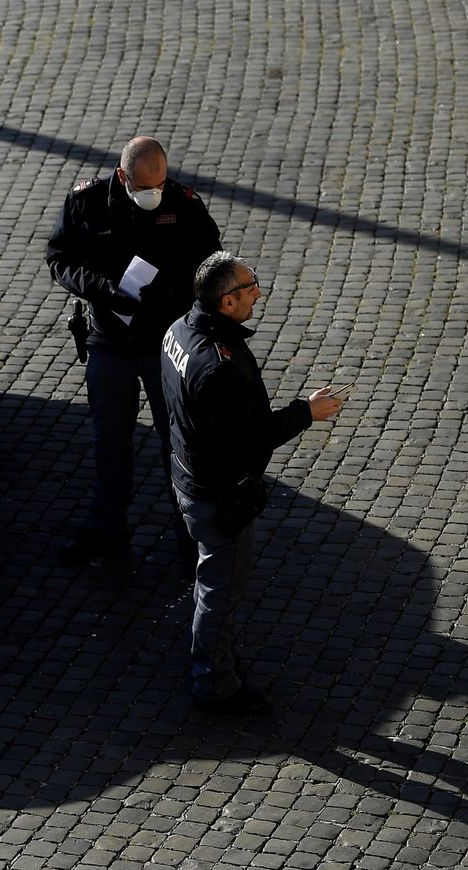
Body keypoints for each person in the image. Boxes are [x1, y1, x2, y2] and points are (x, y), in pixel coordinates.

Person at [161, 252, 344, 716]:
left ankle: (216, 660)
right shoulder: (218, 366)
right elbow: (251, 436)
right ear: (226, 302)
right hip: (217, 492)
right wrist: (307, 411)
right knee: (220, 589)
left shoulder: (178, 331)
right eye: (249, 287)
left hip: (187, 472)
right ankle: (215, 683)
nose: (258, 293)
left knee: (211, 578)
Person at [46, 136, 222, 568]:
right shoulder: (86, 203)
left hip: (167, 345)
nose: (155, 193)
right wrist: (104, 291)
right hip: (110, 341)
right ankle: (107, 531)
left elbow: (211, 262)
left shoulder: (183, 203)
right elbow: (60, 258)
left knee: (178, 445)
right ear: (123, 177)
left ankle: (189, 540)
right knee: (110, 442)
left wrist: (179, 292)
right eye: (146, 186)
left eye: (160, 184)